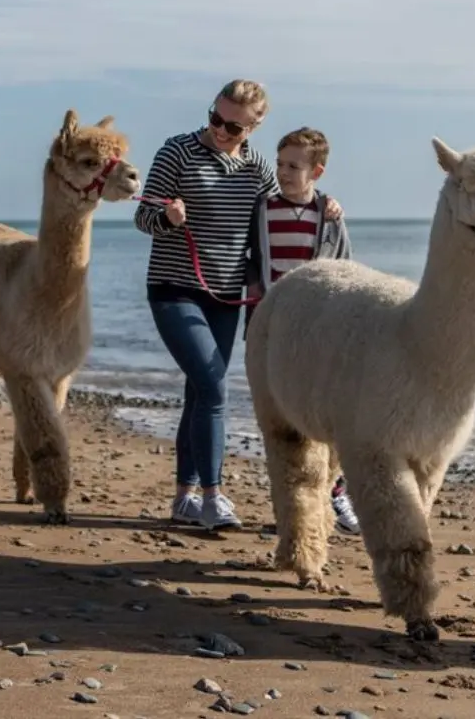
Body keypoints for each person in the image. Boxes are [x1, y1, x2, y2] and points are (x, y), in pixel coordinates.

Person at [134, 80, 342, 532]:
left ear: (253, 128)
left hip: (226, 297)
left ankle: (184, 498)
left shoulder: (258, 168)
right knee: (213, 387)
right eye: (216, 117)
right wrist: (167, 217)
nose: (220, 129)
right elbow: (142, 217)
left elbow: (286, 205)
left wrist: (328, 207)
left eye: (233, 126)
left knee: (199, 391)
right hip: (174, 289)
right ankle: (212, 498)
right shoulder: (176, 152)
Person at [245, 126, 361, 536]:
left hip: (317, 333)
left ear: (317, 171)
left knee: (326, 420)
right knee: (283, 426)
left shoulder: (328, 215)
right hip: (273, 332)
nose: (283, 172)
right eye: (280, 164)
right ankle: (290, 513)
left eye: (294, 166)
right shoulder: (263, 209)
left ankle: (335, 493)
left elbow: (345, 271)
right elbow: (251, 262)